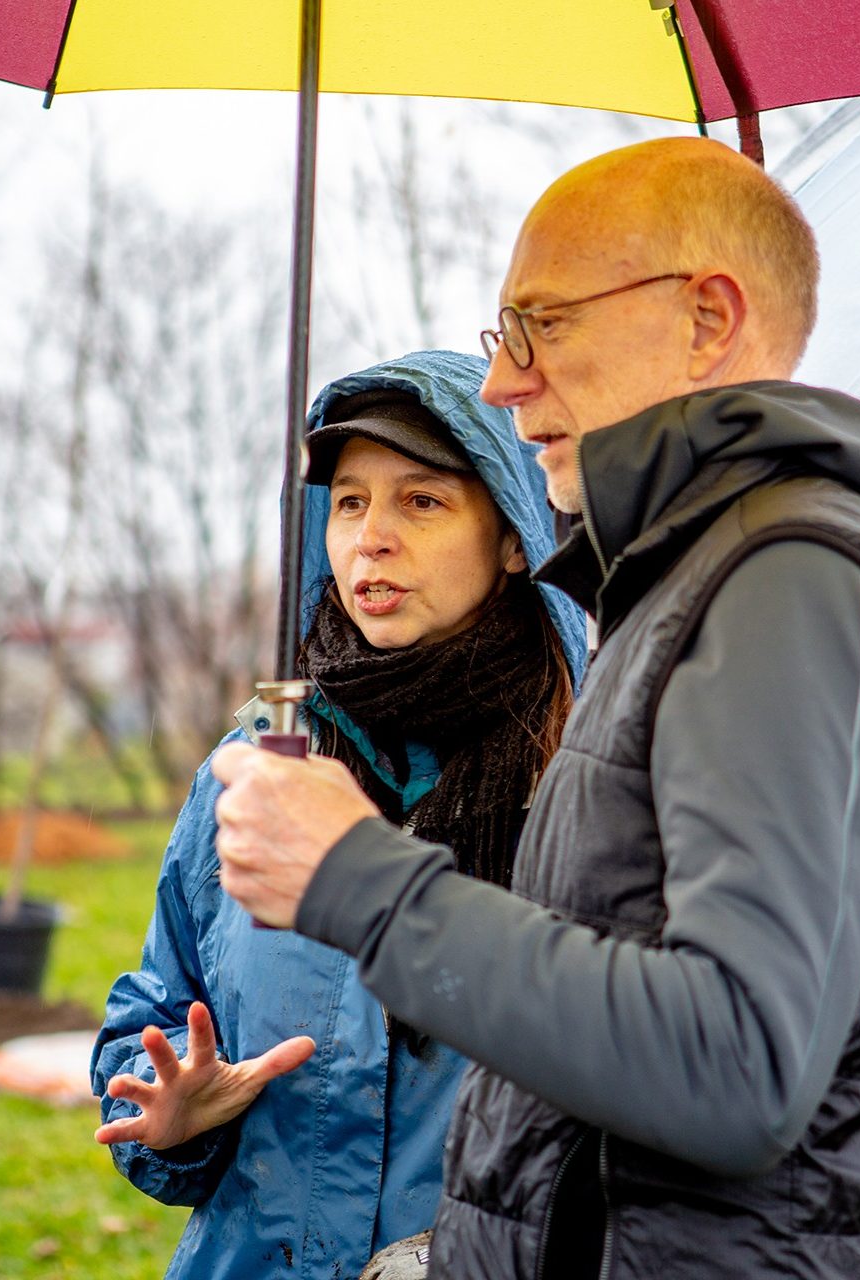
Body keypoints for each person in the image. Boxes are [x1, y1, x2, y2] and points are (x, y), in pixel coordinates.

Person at [210, 136, 860, 1280]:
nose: (503, 381)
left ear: (705, 318)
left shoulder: (790, 576)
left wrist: (357, 878)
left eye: (545, 324)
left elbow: (732, 1064)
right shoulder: (695, 576)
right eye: (503, 336)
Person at [90, 348, 586, 1279]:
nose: (372, 536)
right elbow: (156, 1005)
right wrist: (168, 1114)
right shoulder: (257, 765)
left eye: (422, 501)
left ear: (516, 535)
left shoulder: (585, 778)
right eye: (350, 501)